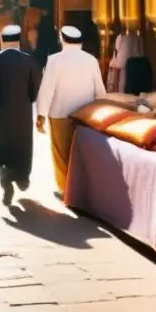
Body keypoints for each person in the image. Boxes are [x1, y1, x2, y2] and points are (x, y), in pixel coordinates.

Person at [0, 24, 42, 206]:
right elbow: (36, 88)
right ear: (19, 41)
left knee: (2, 146)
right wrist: (27, 100)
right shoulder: (29, 61)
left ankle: (5, 178)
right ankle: (22, 178)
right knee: (23, 146)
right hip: (22, 113)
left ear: (2, 40)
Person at [36, 25, 108, 193]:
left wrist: (41, 114)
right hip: (86, 114)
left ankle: (65, 188)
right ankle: (80, 188)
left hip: (60, 113)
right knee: (81, 152)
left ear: (62, 39)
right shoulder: (91, 60)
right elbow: (100, 90)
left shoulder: (54, 60)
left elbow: (47, 89)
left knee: (61, 153)